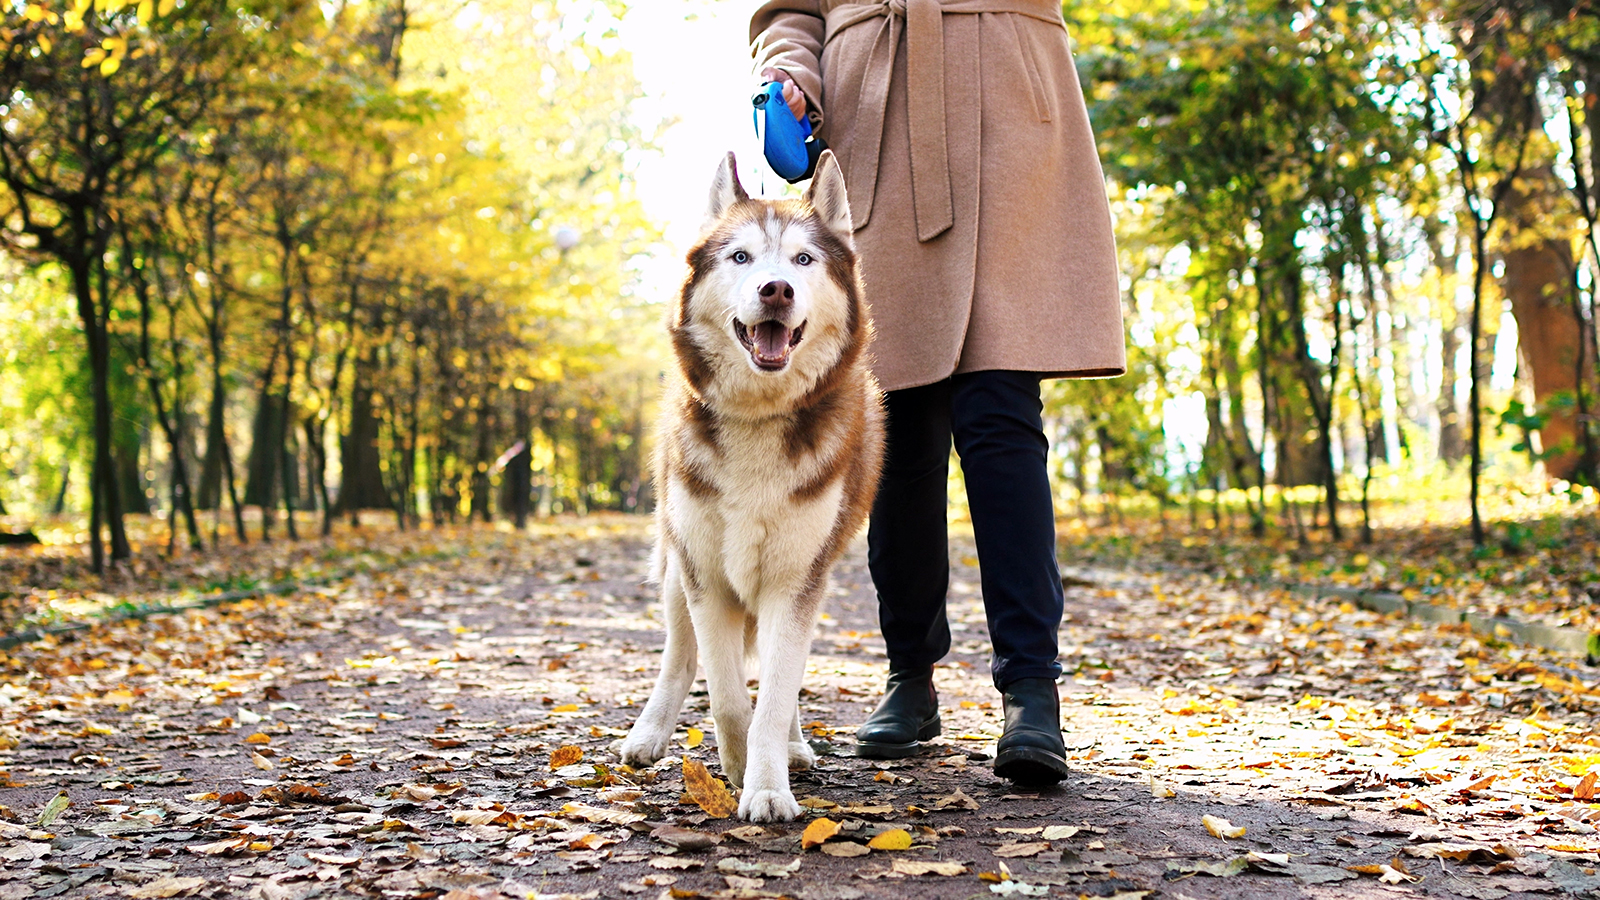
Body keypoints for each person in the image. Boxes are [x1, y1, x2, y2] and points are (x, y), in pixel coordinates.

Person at [749, 0, 1126, 784]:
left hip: (1006, 121)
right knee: (901, 422)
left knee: (1000, 412)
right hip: (876, 130)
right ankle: (910, 676)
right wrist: (788, 70)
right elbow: (789, 11)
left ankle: (1031, 691)